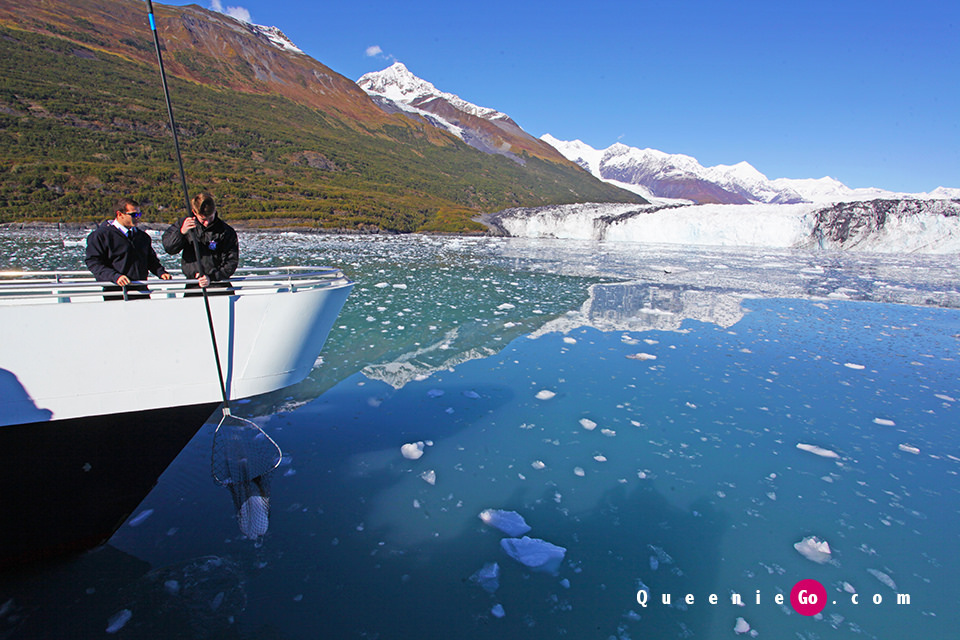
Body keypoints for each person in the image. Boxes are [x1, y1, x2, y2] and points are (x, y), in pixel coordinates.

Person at [85, 197, 172, 299]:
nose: (137, 217)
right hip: (116, 294)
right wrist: (115, 276)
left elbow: (150, 260)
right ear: (120, 214)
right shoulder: (101, 236)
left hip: (141, 292)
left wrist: (161, 272)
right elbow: (94, 263)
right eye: (134, 215)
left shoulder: (142, 237)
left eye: (139, 214)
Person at [162, 192, 239, 292]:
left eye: (210, 218)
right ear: (194, 212)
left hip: (219, 286)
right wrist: (181, 233)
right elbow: (169, 248)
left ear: (215, 210)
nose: (207, 222)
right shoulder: (184, 224)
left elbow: (231, 262)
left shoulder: (226, 231)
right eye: (203, 219)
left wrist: (211, 277)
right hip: (193, 286)